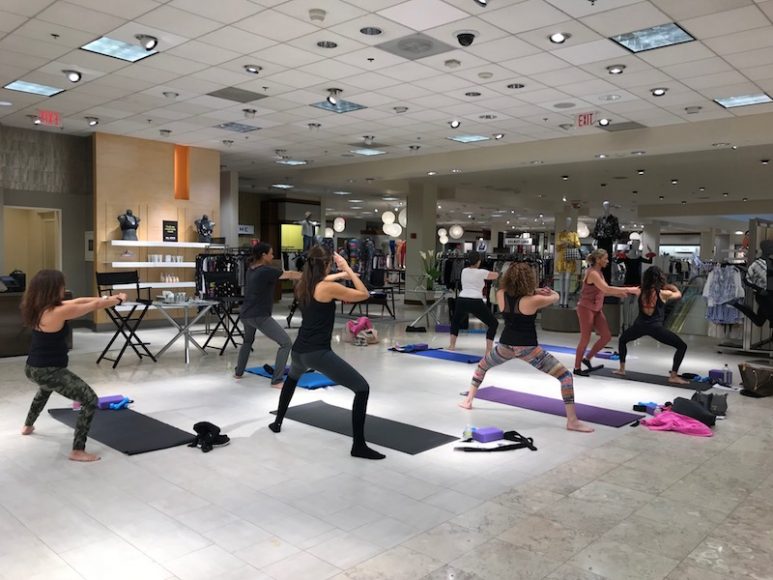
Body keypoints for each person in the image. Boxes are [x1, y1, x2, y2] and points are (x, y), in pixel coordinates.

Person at [269, 247, 385, 460]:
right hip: (317, 353)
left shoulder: (304, 284)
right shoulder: (327, 288)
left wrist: (339, 274)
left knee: (292, 380)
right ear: (325, 265)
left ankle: (277, 423)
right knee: (362, 388)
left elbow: (320, 279)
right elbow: (364, 294)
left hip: (299, 351)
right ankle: (358, 446)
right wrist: (348, 269)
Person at [458, 263, 593, 433]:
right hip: (528, 349)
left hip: (505, 345)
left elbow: (515, 293)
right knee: (565, 377)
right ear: (529, 281)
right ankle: (572, 421)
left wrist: (535, 291)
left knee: (482, 366)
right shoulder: (533, 300)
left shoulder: (501, 294)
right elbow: (556, 297)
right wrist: (545, 292)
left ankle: (468, 400)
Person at [20, 270, 127, 462]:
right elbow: (92, 306)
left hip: (33, 367)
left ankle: (28, 426)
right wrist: (117, 300)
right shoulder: (57, 311)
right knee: (89, 399)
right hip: (49, 370)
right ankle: (77, 450)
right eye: (61, 285)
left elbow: (79, 301)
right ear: (53, 289)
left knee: (44, 391)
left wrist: (107, 297)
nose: (64, 289)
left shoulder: (40, 307)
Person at [234, 243, 301, 386]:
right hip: (259, 315)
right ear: (263, 255)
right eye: (270, 253)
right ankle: (277, 380)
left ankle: (238, 372)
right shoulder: (265, 271)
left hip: (246, 314)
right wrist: (311, 276)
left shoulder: (251, 269)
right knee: (286, 343)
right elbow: (289, 274)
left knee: (247, 341)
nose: (272, 256)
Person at [614, 266, 688, 385]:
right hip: (656, 328)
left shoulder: (639, 290)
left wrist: (607, 289)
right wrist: (671, 286)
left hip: (639, 325)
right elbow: (678, 294)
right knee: (682, 346)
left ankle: (622, 369)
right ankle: (673, 376)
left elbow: (626, 290)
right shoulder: (663, 293)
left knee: (622, 340)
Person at [573, 249, 639, 377]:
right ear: (598, 260)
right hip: (586, 308)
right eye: (605, 258)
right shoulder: (592, 273)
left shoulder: (599, 273)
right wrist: (629, 289)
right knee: (585, 338)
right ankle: (577, 367)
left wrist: (619, 293)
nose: (607, 261)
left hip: (596, 308)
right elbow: (606, 288)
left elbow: (603, 291)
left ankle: (587, 359)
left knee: (606, 336)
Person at [448, 251, 499, 356]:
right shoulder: (481, 272)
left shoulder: (464, 270)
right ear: (479, 261)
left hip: (462, 299)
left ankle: (452, 345)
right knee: (493, 323)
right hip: (475, 300)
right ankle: (488, 350)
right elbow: (495, 276)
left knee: (455, 321)